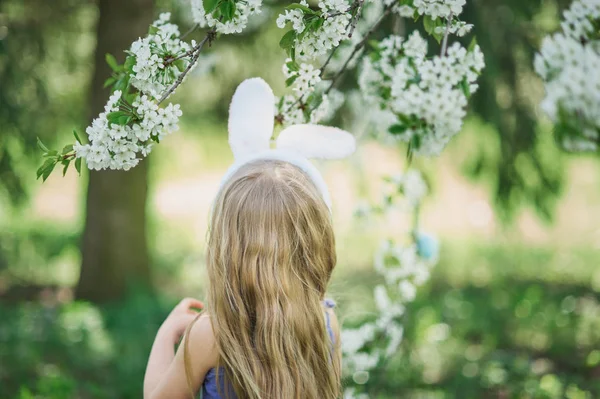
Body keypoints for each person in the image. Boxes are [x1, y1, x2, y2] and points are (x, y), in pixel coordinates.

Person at [143, 78, 356, 399]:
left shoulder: (213, 335)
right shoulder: (325, 323)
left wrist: (167, 333)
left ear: (227, 247)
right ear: (315, 246)